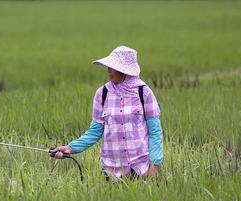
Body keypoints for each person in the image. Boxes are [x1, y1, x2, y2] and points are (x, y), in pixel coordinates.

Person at [50, 46, 163, 180]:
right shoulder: (102, 94)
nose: (108, 71)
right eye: (108, 66)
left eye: (113, 67)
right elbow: (95, 131)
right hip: (111, 171)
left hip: (140, 169)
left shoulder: (144, 93)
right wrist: (70, 148)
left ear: (124, 70)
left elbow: (155, 132)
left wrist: (155, 165)